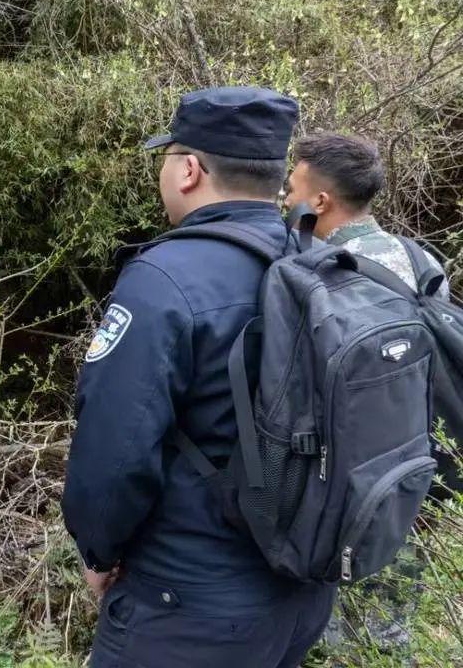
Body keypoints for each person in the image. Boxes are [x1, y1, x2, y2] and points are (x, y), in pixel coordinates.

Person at [61, 87, 336, 667]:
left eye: (167, 157)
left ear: (188, 170)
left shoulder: (164, 278)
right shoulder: (315, 262)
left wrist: (98, 552)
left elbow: (114, 450)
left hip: (186, 606)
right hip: (298, 597)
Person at [285, 131, 451, 652]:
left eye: (292, 187)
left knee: (327, 631)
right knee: (391, 622)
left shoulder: (318, 277)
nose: (285, 199)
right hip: (414, 471)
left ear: (321, 201)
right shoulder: (420, 259)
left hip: (340, 487)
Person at [284, 131, 450, 298]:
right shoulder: (425, 263)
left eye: (291, 191)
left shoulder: (321, 275)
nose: (287, 201)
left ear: (320, 202)